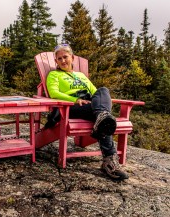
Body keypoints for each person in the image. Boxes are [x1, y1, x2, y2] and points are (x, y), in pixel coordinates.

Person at [46, 44, 129, 180]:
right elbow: (54, 93)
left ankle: (102, 118)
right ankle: (110, 161)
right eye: (59, 58)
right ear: (56, 61)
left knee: (103, 91)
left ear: (72, 58)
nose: (63, 61)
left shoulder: (81, 76)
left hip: (90, 106)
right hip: (70, 107)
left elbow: (96, 93)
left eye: (65, 57)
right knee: (103, 118)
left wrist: (98, 101)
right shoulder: (53, 75)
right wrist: (75, 99)